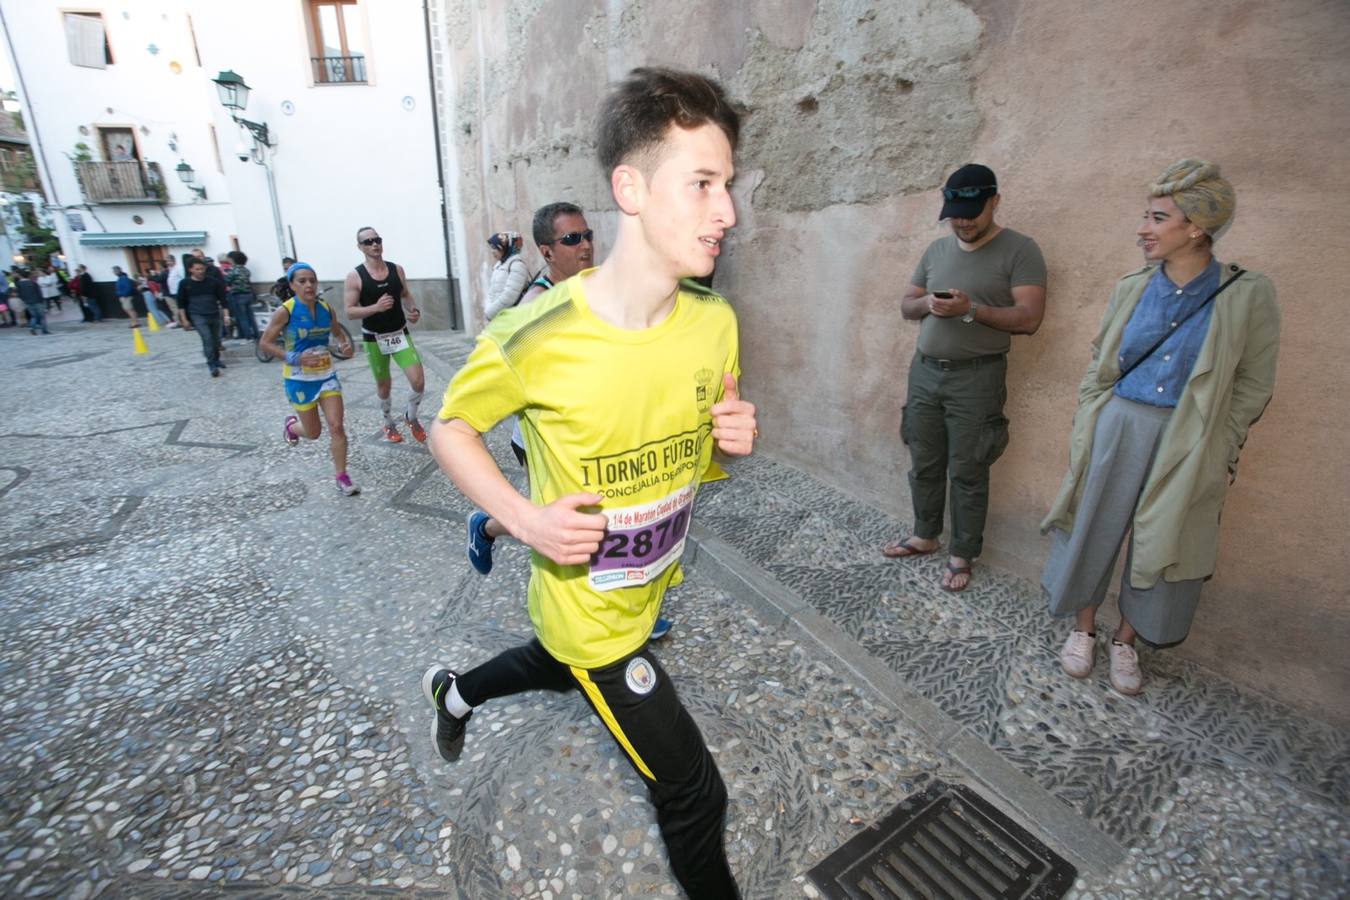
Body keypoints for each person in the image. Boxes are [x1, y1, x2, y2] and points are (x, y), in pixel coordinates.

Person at [422, 67, 754, 899]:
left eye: (731, 186)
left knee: (551, 662)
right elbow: (450, 428)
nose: (728, 212)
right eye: (704, 184)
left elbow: (697, 460)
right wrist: (520, 518)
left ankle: (456, 694)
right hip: (594, 612)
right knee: (690, 791)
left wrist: (729, 440)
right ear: (630, 188)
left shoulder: (714, 321)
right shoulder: (537, 333)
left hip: (644, 590)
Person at [1041, 159, 1279, 696]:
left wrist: (1223, 441)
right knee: (1093, 524)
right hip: (1120, 423)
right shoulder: (1132, 286)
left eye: (1157, 218)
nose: (1143, 229)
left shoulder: (1247, 294)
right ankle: (1084, 630)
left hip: (1189, 436)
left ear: (1195, 228)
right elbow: (1102, 357)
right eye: (1146, 217)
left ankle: (1127, 640)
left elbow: (1254, 381)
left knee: (1166, 540)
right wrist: (1092, 415)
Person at [884, 163, 1047, 592]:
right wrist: (929, 307)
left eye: (972, 211)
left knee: (969, 468)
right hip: (924, 373)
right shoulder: (936, 251)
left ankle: (962, 553)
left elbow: (1029, 319)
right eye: (956, 212)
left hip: (977, 378)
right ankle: (924, 535)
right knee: (924, 459)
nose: (963, 221)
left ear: (995, 201)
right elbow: (907, 305)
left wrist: (971, 310)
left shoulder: (1020, 250)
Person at [259, 262, 360, 496]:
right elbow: (265, 343)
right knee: (313, 433)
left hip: (326, 376)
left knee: (336, 426)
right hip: (298, 379)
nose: (309, 285)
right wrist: (295, 358)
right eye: (302, 281)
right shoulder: (286, 311)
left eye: (312, 280)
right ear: (293, 285)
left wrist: (344, 345)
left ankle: (342, 477)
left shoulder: (326, 308)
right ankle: (292, 426)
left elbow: (337, 333)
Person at [343, 228, 428, 443]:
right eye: (368, 242)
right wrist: (376, 308)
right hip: (374, 338)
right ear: (360, 247)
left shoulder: (396, 269)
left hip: (399, 333)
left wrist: (413, 310)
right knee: (384, 386)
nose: (374, 244)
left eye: (377, 240)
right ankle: (388, 422)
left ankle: (411, 417)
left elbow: (405, 294)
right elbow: (350, 311)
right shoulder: (355, 276)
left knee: (418, 381)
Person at [176, 256, 231, 376]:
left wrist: (226, 316)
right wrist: (184, 319)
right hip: (197, 315)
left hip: (214, 313)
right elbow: (181, 303)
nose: (200, 271)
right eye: (197, 269)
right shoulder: (185, 284)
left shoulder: (213, 282)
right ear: (191, 270)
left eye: (202, 268)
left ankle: (216, 359)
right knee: (207, 338)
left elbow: (223, 300)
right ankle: (211, 364)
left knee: (216, 340)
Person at [482, 231, 530, 321]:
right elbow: (491, 292)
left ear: (505, 247)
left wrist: (490, 313)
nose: (492, 252)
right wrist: (488, 310)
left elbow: (510, 296)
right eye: (492, 248)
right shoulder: (499, 266)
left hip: (512, 319)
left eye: (495, 248)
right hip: (498, 318)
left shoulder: (517, 265)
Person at [225, 250, 258, 342]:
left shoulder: (233, 270)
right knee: (250, 316)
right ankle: (256, 333)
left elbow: (227, 281)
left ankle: (248, 336)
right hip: (248, 294)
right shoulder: (246, 270)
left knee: (242, 316)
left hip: (237, 295)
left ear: (232, 259)